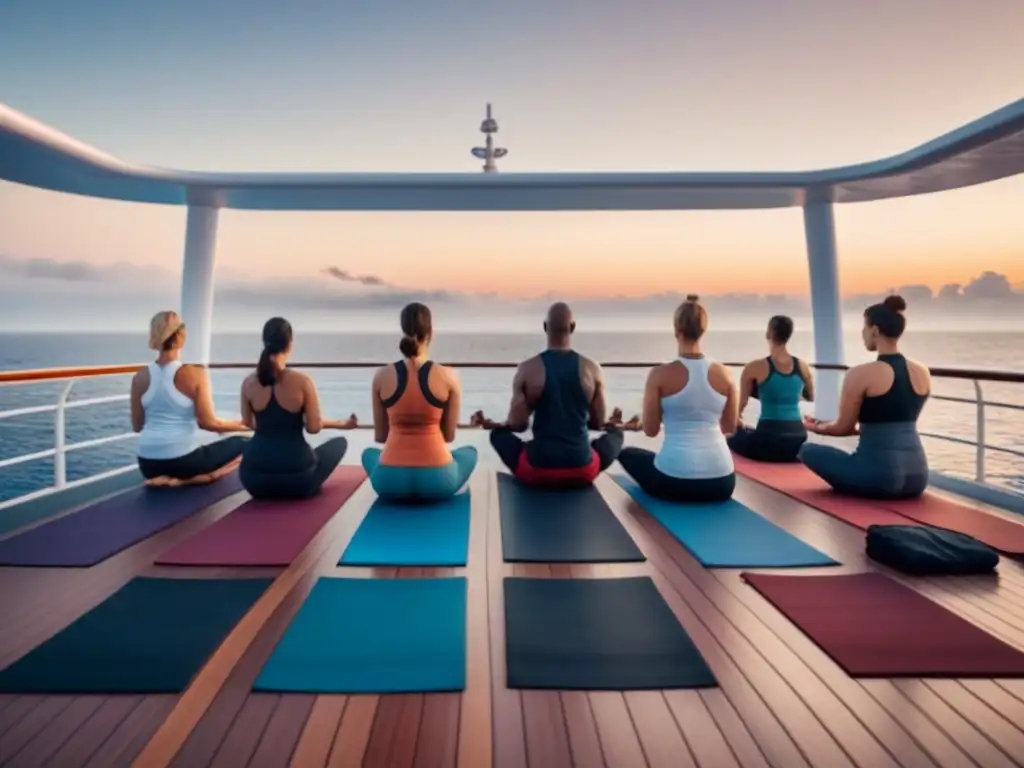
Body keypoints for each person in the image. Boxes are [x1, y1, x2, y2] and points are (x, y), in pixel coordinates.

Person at [799, 295, 931, 499]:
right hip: (919, 476)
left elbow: (843, 427)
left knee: (806, 449)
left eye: (864, 328)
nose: (862, 333)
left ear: (875, 330)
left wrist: (815, 427)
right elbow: (890, 420)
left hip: (880, 476)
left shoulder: (860, 374)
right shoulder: (922, 371)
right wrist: (828, 424)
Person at [486, 302, 623, 487]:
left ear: (544, 327)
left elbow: (518, 425)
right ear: (573, 327)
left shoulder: (527, 369)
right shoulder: (592, 369)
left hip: (537, 471)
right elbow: (598, 423)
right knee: (615, 434)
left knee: (498, 434)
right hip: (582, 470)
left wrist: (499, 425)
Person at [617, 295, 739, 502]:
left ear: (676, 330)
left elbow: (650, 430)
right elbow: (729, 427)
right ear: (703, 331)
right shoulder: (725, 374)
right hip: (722, 482)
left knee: (627, 454)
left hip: (675, 480)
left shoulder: (659, 374)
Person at [362, 303, 478, 502]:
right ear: (431, 332)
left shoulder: (381, 376)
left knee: (369, 454)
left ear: (403, 331)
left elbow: (381, 436)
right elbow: (448, 436)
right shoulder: (448, 376)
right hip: (438, 481)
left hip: (389, 482)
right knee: (469, 453)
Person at [238, 317, 356, 499]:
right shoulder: (302, 382)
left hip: (254, 479)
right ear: (290, 343)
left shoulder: (248, 383)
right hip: (297, 479)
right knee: (339, 444)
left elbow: (249, 423)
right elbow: (313, 427)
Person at [131, 311, 249, 486]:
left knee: (205, 450)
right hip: (183, 462)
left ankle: (163, 478)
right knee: (246, 444)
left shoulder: (140, 377)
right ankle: (191, 480)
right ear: (181, 336)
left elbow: (137, 426)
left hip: (147, 464)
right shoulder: (194, 373)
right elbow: (208, 423)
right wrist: (245, 425)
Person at [727, 315, 814, 462]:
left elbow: (739, 407)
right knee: (750, 432)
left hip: (769, 440)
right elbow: (810, 397)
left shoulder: (754, 367)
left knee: (732, 436)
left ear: (769, 333)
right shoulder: (803, 366)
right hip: (798, 440)